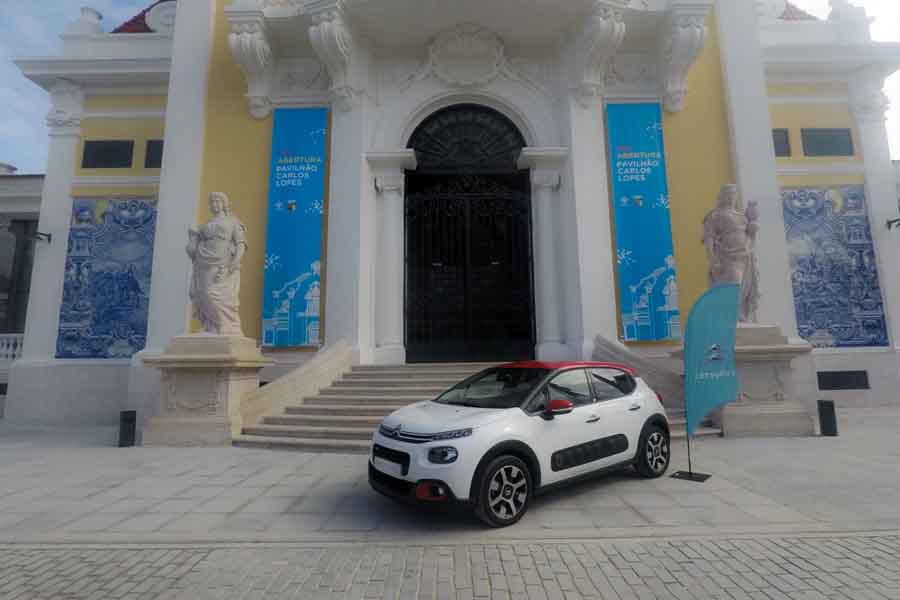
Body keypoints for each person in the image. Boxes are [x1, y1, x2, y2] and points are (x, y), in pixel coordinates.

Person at [187, 192, 248, 335]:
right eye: (212, 202)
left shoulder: (233, 222)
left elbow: (241, 244)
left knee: (214, 293)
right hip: (203, 262)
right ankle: (211, 326)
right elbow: (192, 251)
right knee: (202, 294)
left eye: (218, 201)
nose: (215, 205)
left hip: (222, 262)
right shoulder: (205, 226)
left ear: (224, 204)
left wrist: (235, 261)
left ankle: (225, 324)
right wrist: (192, 238)